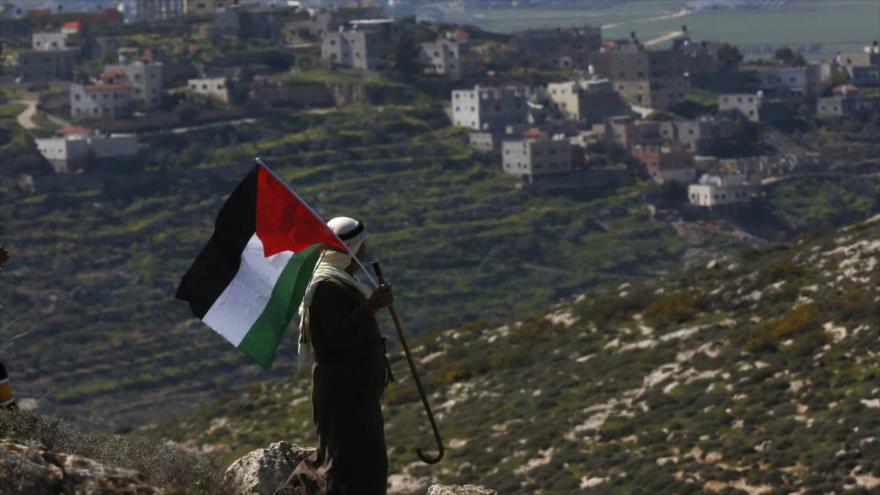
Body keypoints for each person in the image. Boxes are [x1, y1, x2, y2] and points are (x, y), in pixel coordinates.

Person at [277, 217, 394, 495]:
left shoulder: (341, 281)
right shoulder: (328, 286)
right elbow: (337, 335)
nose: (364, 252)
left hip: (353, 389)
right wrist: (372, 305)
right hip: (343, 390)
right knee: (346, 464)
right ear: (351, 250)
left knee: (360, 459)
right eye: (361, 246)